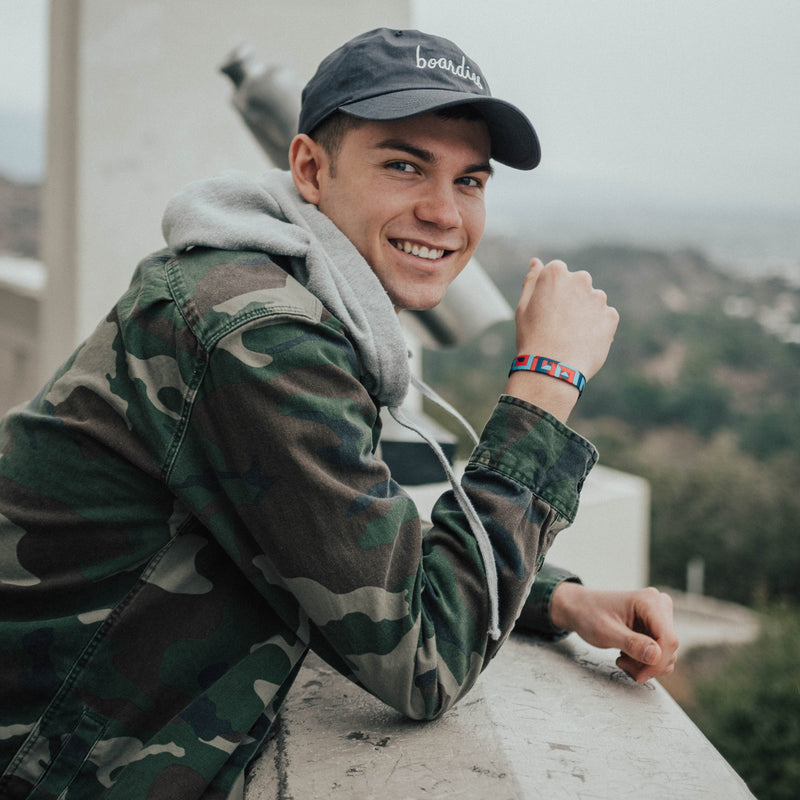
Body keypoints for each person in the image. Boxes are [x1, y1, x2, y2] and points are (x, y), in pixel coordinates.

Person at [0, 27, 678, 800]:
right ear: (310, 169)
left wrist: (555, 597)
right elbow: (425, 661)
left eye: (471, 181)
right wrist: (546, 380)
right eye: (403, 165)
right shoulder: (256, 330)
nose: (444, 213)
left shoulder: (281, 295)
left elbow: (341, 529)